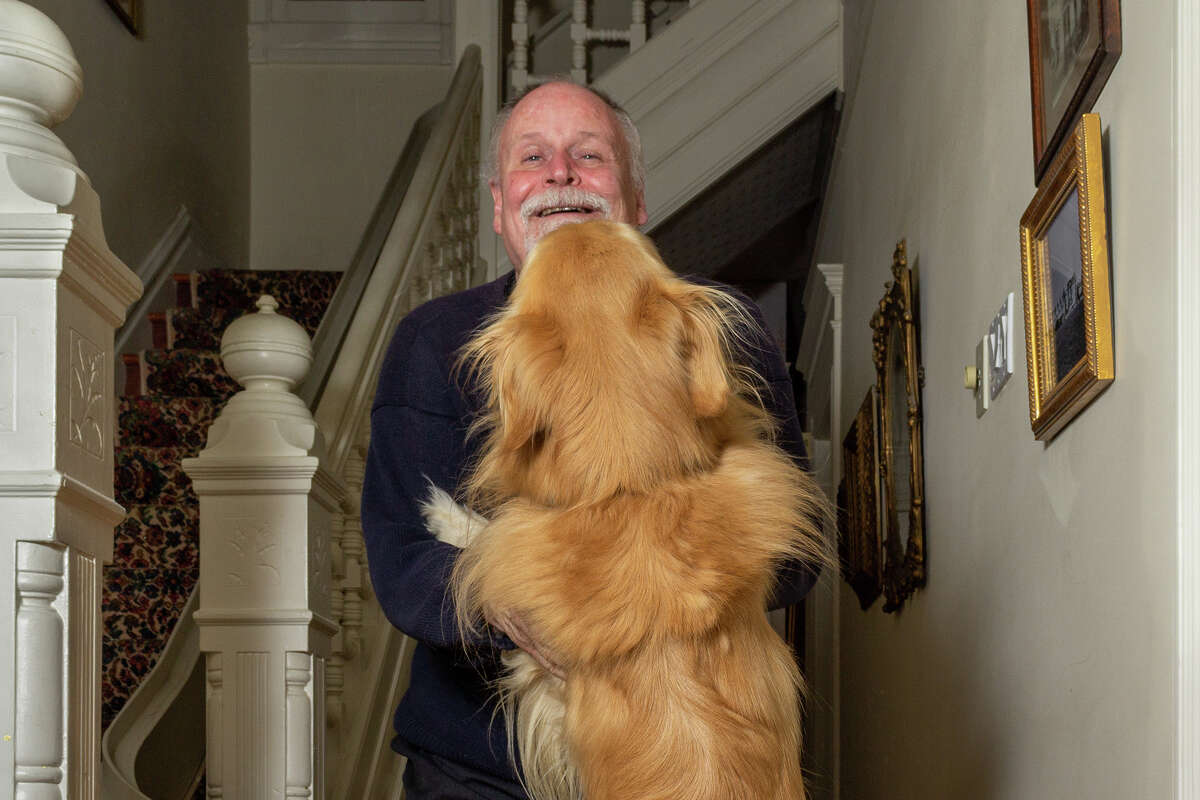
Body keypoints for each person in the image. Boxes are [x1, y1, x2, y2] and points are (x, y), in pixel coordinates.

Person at [360, 80, 817, 800]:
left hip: (698, 748)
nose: (559, 174)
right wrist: (506, 606)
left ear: (636, 200)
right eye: (531, 157)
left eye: (589, 155)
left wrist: (650, 591)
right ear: (499, 206)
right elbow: (399, 560)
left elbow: (798, 551)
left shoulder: (712, 323)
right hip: (478, 774)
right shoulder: (431, 341)